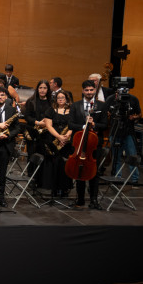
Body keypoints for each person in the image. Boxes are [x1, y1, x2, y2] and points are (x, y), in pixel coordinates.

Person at [68, 80, 107, 209]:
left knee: (94, 173)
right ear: (83, 91)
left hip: (94, 145)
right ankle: (80, 199)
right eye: (87, 90)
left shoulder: (101, 106)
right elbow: (71, 124)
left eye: (91, 90)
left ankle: (94, 200)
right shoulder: (75, 105)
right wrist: (84, 126)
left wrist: (94, 124)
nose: (89, 92)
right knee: (79, 171)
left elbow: (105, 125)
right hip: (79, 143)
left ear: (95, 90)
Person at [106, 88, 141, 185]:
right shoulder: (110, 99)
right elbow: (105, 113)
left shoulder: (133, 99)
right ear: (116, 91)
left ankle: (135, 179)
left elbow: (139, 114)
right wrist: (109, 115)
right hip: (115, 131)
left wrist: (133, 117)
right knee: (116, 157)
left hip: (128, 131)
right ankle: (117, 178)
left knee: (132, 155)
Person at [44, 91, 73, 198]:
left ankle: (64, 188)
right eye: (58, 97)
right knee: (54, 164)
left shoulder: (72, 111)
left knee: (65, 165)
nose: (60, 99)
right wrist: (59, 137)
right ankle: (54, 189)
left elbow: (73, 125)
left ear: (67, 99)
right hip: (54, 141)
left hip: (67, 142)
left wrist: (66, 136)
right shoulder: (50, 110)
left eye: (63, 97)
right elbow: (49, 126)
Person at [23, 80, 52, 187]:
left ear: (48, 90)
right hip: (33, 132)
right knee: (32, 155)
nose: (42, 90)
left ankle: (42, 180)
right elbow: (27, 116)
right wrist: (38, 122)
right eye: (40, 88)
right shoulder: (31, 101)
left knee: (45, 155)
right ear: (37, 89)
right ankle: (32, 179)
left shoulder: (51, 102)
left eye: (45, 88)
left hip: (46, 133)